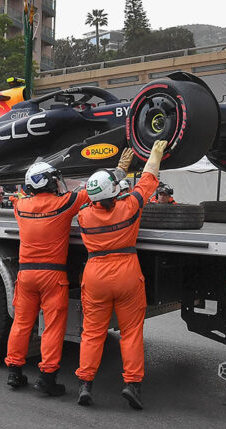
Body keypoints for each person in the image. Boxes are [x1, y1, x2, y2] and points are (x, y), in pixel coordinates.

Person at [74, 140, 166, 410]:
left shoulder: (84, 215)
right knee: (131, 333)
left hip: (95, 275)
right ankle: (132, 385)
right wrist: (156, 154)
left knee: (92, 333)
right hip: (126, 272)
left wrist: (117, 170)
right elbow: (148, 180)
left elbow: (99, 195)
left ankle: (85, 384)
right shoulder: (130, 206)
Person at [4, 157, 104, 396]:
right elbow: (91, 192)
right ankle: (47, 379)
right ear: (48, 183)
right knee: (52, 328)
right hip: (52, 275)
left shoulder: (21, 207)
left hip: (26, 274)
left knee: (21, 323)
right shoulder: (65, 203)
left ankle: (14, 372)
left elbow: (17, 199)